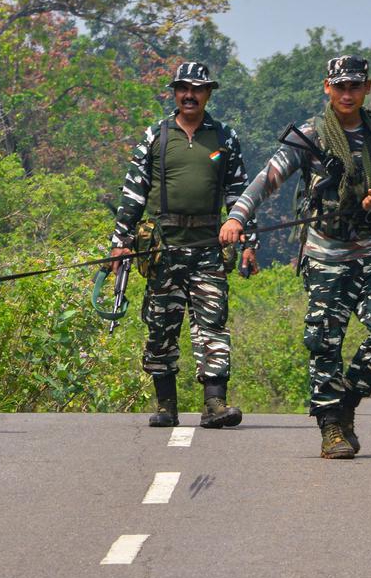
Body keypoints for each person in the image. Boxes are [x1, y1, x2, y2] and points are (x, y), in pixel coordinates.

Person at [221, 56, 371, 459]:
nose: (347, 93)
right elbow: (266, 180)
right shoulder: (311, 136)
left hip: (370, 251)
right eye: (340, 86)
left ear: (367, 88)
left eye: (355, 86)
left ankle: (345, 404)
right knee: (325, 342)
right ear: (327, 87)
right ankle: (331, 429)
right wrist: (238, 216)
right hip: (325, 254)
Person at [108, 62, 258, 429]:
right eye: (183, 89)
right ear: (174, 92)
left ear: (208, 93)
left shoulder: (224, 138)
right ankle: (166, 406)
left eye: (198, 89)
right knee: (161, 325)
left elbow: (239, 193)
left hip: (209, 247)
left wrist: (249, 240)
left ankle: (215, 405)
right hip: (164, 248)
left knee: (213, 325)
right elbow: (133, 194)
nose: (189, 95)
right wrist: (120, 243)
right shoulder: (155, 136)